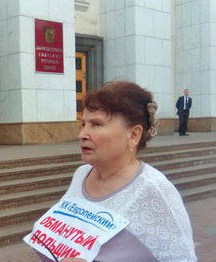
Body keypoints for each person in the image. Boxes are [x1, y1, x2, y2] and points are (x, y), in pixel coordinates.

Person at [29, 82, 197, 261]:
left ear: (133, 135)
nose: (82, 134)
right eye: (83, 124)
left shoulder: (155, 190)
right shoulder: (81, 175)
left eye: (97, 124)